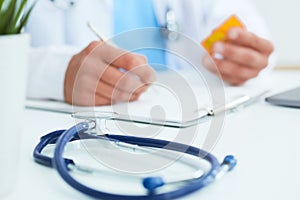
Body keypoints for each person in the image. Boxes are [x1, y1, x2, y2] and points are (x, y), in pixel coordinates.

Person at [26, 0, 274, 106]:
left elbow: (249, 30)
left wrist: (244, 58)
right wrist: (57, 72)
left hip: (180, 121)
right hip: (70, 130)